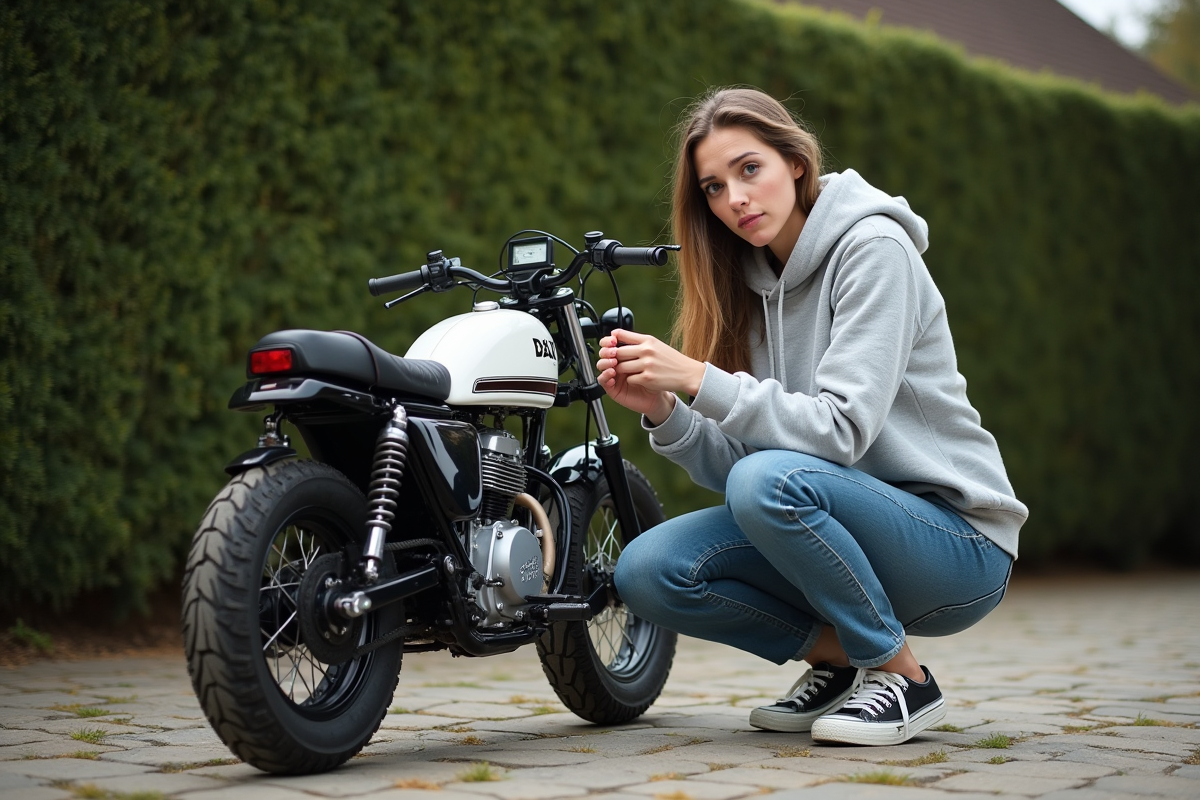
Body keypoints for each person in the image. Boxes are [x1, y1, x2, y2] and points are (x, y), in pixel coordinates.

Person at [597, 87, 1027, 747]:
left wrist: (699, 378)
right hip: (833, 525)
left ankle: (902, 676)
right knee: (648, 569)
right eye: (714, 187)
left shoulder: (874, 248)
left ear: (795, 163)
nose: (735, 198)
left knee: (768, 482)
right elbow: (744, 467)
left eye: (750, 169)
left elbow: (840, 431)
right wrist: (667, 411)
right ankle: (839, 659)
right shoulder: (742, 282)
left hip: (957, 544)